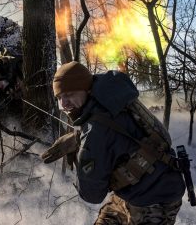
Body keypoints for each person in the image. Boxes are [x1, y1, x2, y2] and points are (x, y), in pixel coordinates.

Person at [42, 61, 185, 225]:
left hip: (154, 201)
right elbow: (116, 135)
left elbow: (92, 195)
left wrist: (79, 155)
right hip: (140, 189)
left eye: (69, 94)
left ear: (86, 89)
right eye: (60, 97)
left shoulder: (94, 134)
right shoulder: (112, 99)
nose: (64, 104)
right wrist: (77, 137)